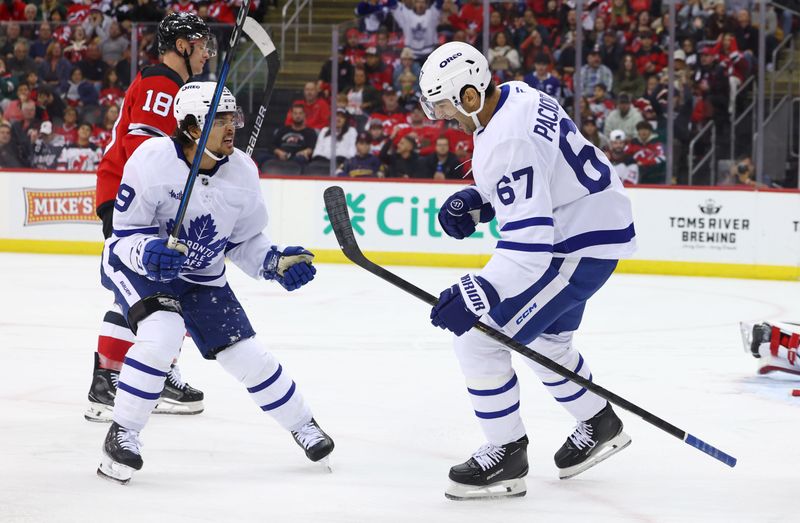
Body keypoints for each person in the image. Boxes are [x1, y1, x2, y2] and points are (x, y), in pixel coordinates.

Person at [419, 41, 635, 500]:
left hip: (573, 246)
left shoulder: (506, 138)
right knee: (546, 339)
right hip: (595, 226)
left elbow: (529, 246)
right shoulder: (517, 93)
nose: (443, 118)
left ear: (470, 96)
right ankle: (600, 423)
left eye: (445, 106)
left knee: (478, 338)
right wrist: (482, 200)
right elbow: (541, 175)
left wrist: (482, 289)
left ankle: (506, 453)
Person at [96, 81, 334, 484]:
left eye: (232, 118)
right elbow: (122, 237)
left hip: (203, 277)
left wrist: (273, 262)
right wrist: (146, 251)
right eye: (219, 119)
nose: (231, 128)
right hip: (143, 269)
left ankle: (303, 424)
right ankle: (121, 433)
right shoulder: (150, 162)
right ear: (190, 127)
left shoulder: (242, 170)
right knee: (163, 333)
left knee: (248, 354)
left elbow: (244, 242)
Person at [86, 12, 216, 423]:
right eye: (200, 44)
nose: (207, 52)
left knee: (172, 286)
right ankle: (106, 379)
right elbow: (142, 149)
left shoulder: (177, 86)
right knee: (137, 290)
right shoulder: (162, 83)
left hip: (147, 198)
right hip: (134, 198)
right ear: (182, 45)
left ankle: (158, 369)